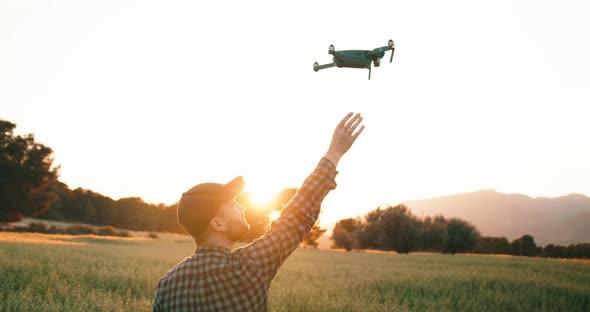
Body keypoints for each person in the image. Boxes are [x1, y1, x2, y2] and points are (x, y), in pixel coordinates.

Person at [152, 112, 365, 312]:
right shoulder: (248, 268)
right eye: (232, 204)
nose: (242, 206)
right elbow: (297, 215)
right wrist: (334, 153)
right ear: (217, 224)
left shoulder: (167, 285)